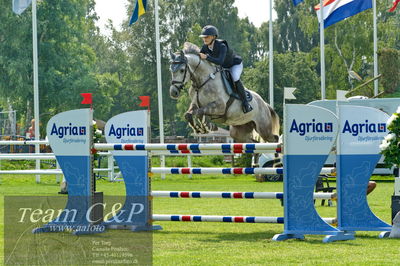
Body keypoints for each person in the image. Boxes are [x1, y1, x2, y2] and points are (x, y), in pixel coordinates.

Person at [198, 25, 253, 113]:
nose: (204, 39)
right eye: (203, 37)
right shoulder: (205, 47)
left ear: (213, 37)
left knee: (235, 77)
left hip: (234, 64)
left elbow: (219, 61)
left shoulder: (222, 45)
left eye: (207, 37)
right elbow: (200, 58)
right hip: (223, 67)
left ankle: (246, 103)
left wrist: (206, 57)